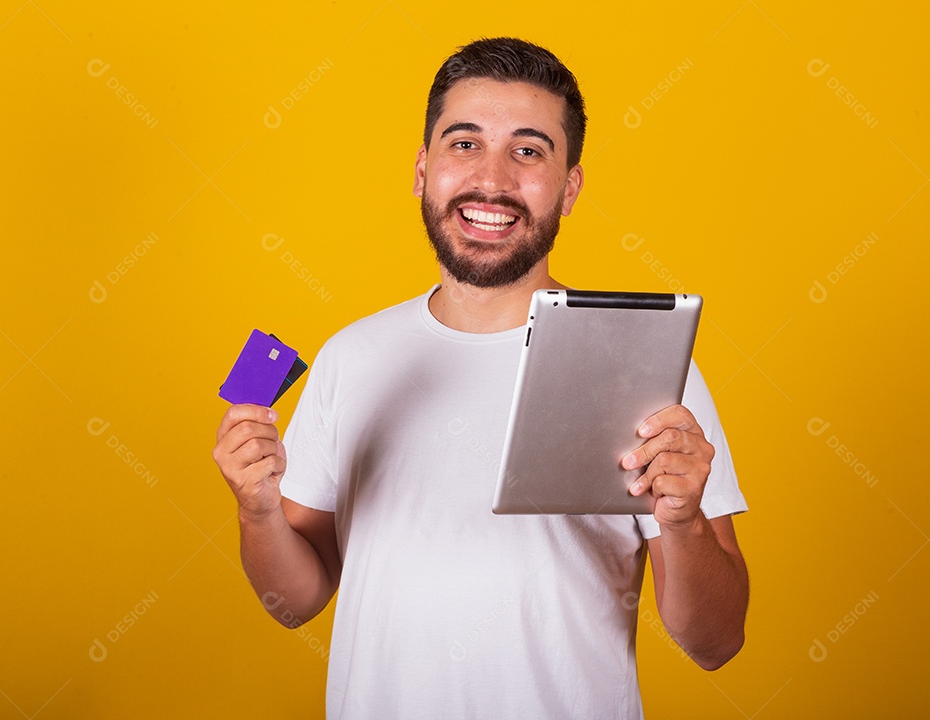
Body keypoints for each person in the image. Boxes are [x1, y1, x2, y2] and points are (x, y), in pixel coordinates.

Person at [213, 37, 749, 719]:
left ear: (570, 186)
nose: (492, 179)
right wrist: (257, 511)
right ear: (421, 169)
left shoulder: (639, 363)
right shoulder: (352, 356)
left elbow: (716, 641)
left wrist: (684, 523)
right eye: (464, 143)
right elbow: (294, 603)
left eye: (528, 151)